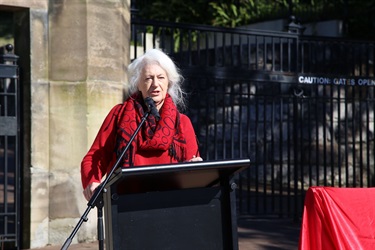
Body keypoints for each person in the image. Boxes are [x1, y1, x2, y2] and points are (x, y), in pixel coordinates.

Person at [81, 48, 203, 201]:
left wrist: (196, 168)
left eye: (160, 77)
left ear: (169, 82)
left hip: (171, 206)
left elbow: (192, 168)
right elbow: (95, 157)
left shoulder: (182, 123)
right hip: (124, 205)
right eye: (148, 78)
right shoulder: (119, 115)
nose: (155, 84)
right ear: (138, 83)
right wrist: (92, 181)